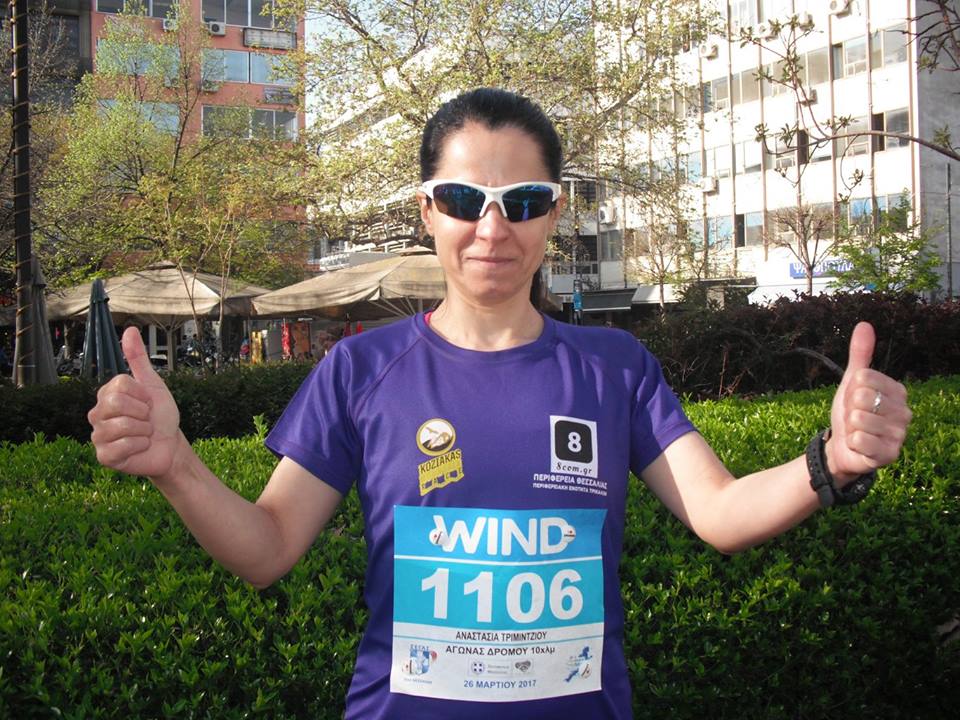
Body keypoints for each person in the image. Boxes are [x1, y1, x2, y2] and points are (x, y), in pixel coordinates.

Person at [87, 88, 912, 720]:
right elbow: (267, 549)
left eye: (521, 202)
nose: (491, 228)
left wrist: (831, 462)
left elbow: (721, 512)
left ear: (554, 213)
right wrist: (175, 466)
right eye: (461, 199)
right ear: (426, 211)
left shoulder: (614, 368)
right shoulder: (360, 369)